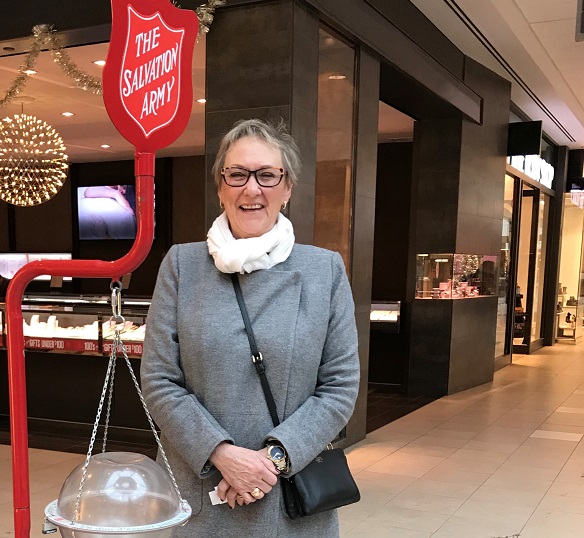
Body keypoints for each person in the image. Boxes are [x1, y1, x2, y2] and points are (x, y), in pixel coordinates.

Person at [140, 119, 360, 537]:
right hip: (202, 489)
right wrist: (221, 454)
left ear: (287, 188)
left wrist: (268, 462)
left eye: (267, 175)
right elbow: (158, 379)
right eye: (237, 174)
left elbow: (340, 385)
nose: (252, 189)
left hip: (289, 495)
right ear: (220, 187)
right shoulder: (182, 266)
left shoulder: (323, 270)